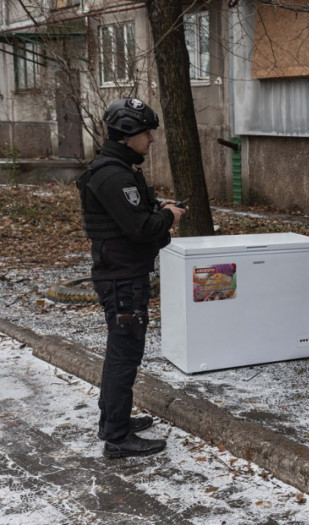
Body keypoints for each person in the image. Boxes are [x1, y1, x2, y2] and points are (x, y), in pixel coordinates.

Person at [76, 97, 186, 458]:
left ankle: (113, 422)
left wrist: (161, 214)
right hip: (121, 280)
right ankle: (118, 438)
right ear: (126, 135)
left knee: (120, 353)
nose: (152, 138)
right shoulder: (113, 174)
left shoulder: (121, 169)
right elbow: (140, 227)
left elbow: (136, 219)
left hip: (124, 274)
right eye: (146, 132)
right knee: (124, 356)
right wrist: (169, 217)